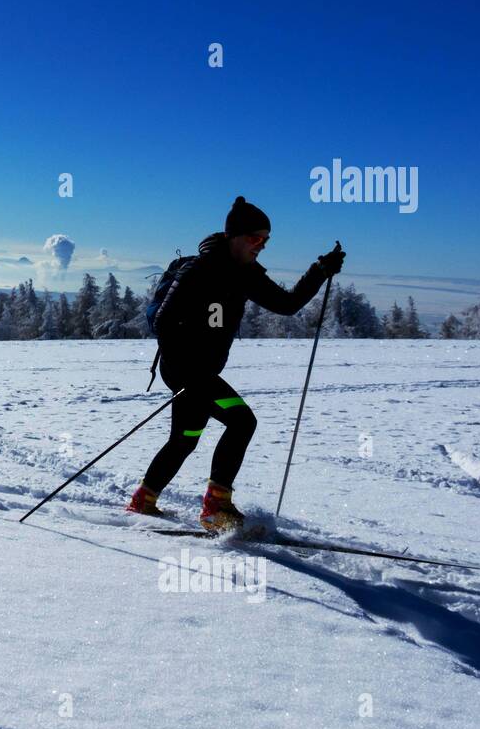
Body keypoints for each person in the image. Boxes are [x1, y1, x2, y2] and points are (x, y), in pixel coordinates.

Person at [127, 197, 344, 531]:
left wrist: (319, 271)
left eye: (266, 240)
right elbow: (163, 322)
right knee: (242, 421)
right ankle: (216, 507)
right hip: (185, 369)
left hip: (202, 372)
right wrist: (187, 368)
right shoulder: (199, 270)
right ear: (234, 235)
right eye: (255, 238)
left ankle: (144, 499)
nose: (261, 246)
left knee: (185, 438)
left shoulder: (245, 275)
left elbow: (287, 304)